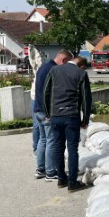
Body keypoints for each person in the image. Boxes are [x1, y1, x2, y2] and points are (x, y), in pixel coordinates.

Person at [43, 56, 92, 192]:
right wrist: (85, 119)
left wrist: (48, 113)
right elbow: (86, 98)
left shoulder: (54, 70)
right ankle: (72, 183)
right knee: (72, 149)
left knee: (58, 148)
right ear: (81, 65)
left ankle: (61, 179)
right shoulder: (81, 74)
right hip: (71, 116)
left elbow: (46, 92)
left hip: (55, 116)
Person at [34, 50, 73, 181]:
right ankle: (50, 172)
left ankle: (41, 170)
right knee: (51, 141)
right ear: (64, 60)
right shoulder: (55, 70)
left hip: (38, 110)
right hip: (47, 112)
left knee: (43, 140)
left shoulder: (43, 67)